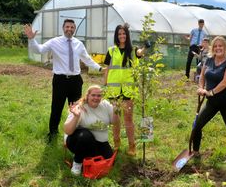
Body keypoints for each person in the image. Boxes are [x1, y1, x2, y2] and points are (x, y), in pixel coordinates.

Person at [24, 19, 103, 143]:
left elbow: (87, 59)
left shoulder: (78, 44)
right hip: (60, 80)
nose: (69, 29)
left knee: (76, 108)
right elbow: (39, 49)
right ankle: (53, 133)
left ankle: (75, 132)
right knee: (56, 107)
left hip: (76, 81)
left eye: (72, 27)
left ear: (74, 29)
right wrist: (31, 39)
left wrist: (99, 68)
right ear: (63, 28)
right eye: (67, 27)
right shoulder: (55, 42)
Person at [103, 23, 148, 156]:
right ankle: (116, 143)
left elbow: (140, 53)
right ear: (116, 36)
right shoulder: (111, 51)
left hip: (128, 90)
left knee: (128, 118)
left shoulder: (133, 51)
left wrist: (145, 46)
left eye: (124, 34)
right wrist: (104, 83)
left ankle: (132, 145)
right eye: (119, 34)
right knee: (115, 118)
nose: (122, 36)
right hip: (114, 90)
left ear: (127, 36)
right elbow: (107, 69)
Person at [192, 36, 226, 161]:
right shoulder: (208, 60)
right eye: (216, 46)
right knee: (197, 125)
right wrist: (201, 88)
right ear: (213, 48)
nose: (218, 48)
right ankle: (195, 152)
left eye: (221, 46)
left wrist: (211, 92)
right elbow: (202, 76)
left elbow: (224, 82)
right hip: (212, 102)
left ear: (225, 47)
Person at [64, 85, 114, 175]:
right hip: (76, 140)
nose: (96, 98)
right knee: (86, 135)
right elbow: (67, 131)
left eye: (99, 96)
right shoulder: (80, 107)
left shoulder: (106, 105)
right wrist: (76, 117)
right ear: (87, 96)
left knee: (108, 159)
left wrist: (116, 111)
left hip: (98, 141)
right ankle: (77, 163)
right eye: (93, 95)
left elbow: (114, 122)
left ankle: (86, 159)